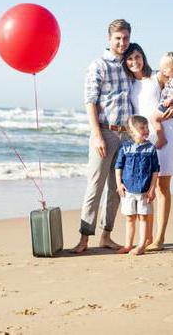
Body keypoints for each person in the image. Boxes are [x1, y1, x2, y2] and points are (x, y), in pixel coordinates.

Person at [73, 19, 133, 254]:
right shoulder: (98, 65)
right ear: (109, 39)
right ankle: (84, 238)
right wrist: (97, 134)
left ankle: (106, 236)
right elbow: (90, 101)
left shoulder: (131, 65)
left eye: (126, 38)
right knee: (94, 186)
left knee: (117, 188)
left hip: (127, 135)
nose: (122, 42)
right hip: (105, 132)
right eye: (118, 38)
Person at [122, 43, 173, 252]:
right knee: (144, 187)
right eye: (130, 59)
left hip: (164, 134)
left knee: (162, 187)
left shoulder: (158, 76)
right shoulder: (130, 82)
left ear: (144, 57)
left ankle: (159, 239)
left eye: (138, 57)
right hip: (143, 138)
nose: (134, 62)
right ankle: (147, 237)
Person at [115, 115, 160, 255]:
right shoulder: (126, 147)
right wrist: (119, 183)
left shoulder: (150, 148)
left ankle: (141, 245)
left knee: (143, 217)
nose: (146, 130)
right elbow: (118, 166)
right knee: (129, 217)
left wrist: (152, 188)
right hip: (128, 190)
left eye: (147, 127)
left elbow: (155, 170)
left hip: (144, 191)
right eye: (142, 128)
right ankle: (128, 245)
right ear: (132, 130)